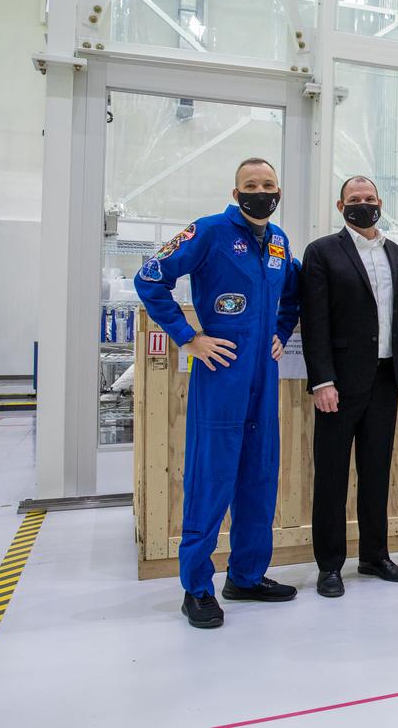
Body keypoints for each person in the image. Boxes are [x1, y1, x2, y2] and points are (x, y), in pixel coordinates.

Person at [134, 158, 300, 629]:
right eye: (251, 185)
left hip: (263, 380)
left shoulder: (281, 243)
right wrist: (188, 337)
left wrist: (282, 332)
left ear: (278, 191)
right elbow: (149, 278)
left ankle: (246, 575)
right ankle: (197, 587)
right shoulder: (207, 232)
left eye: (268, 184)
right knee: (211, 481)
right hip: (221, 374)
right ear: (235, 191)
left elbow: (294, 295)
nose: (260, 191)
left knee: (259, 478)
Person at [300, 176, 398, 598]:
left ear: (380, 203)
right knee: (331, 476)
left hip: (386, 379)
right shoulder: (322, 253)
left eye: (369, 199)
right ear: (340, 206)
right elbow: (314, 322)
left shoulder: (395, 253)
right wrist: (322, 381)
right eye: (355, 200)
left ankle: (374, 555)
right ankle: (329, 565)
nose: (363, 205)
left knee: (376, 472)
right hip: (339, 384)